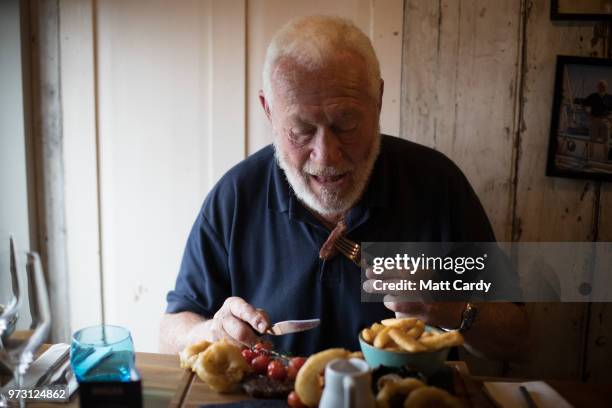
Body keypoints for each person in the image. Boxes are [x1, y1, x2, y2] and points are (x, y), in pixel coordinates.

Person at [159, 16, 528, 361]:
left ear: (378, 100)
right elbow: (170, 328)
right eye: (301, 130)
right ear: (269, 110)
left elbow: (515, 338)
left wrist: (451, 309)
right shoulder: (237, 195)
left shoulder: (438, 185)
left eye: (346, 123)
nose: (326, 155)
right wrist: (209, 331)